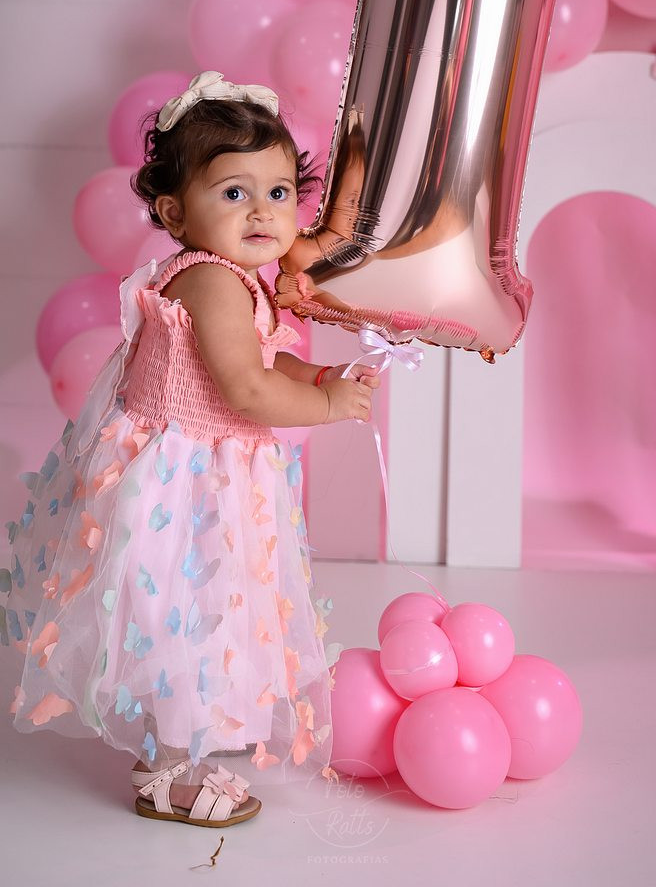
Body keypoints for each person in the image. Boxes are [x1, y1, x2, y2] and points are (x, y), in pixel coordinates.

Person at [1, 71, 381, 828]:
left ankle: (190, 730)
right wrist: (326, 405)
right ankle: (166, 771)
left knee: (207, 612)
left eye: (278, 193)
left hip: (207, 474)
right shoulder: (210, 282)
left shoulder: (237, 279)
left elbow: (265, 358)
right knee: (186, 610)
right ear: (175, 211)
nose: (263, 211)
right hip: (185, 485)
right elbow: (246, 387)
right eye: (234, 192)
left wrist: (318, 373)